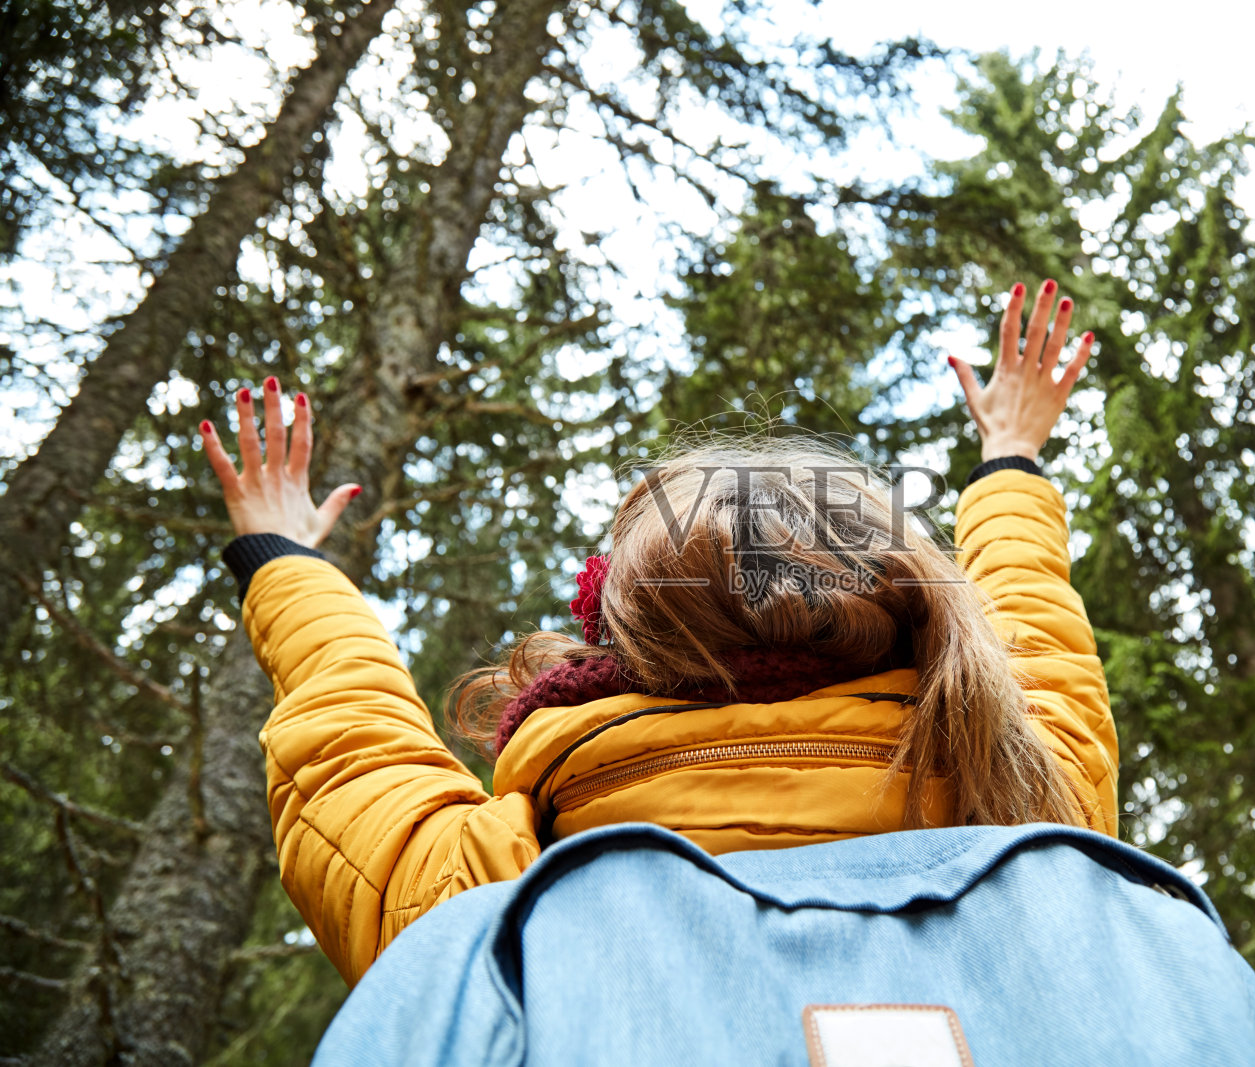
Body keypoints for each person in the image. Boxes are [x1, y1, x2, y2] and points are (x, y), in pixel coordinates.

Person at [198, 279, 1111, 988]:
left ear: (623, 623)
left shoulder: (488, 885)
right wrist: (1010, 456)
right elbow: (1032, 626)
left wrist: (285, 560)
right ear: (915, 604)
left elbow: (357, 747)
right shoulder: (1026, 789)